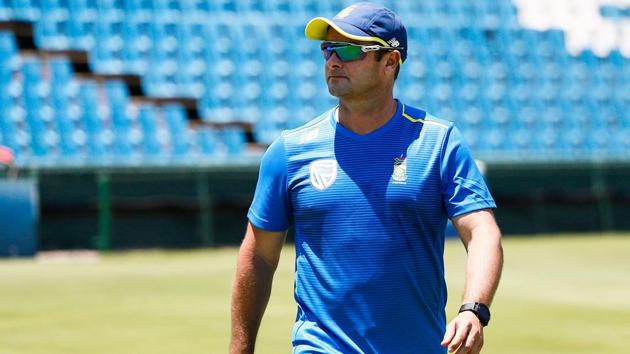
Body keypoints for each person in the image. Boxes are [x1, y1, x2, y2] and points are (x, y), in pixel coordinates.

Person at [231, 2, 503, 354]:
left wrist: (474, 309)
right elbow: (258, 257)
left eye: (347, 49)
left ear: (390, 62)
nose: (332, 60)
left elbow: (482, 231)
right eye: (327, 49)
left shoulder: (439, 141)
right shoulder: (289, 151)